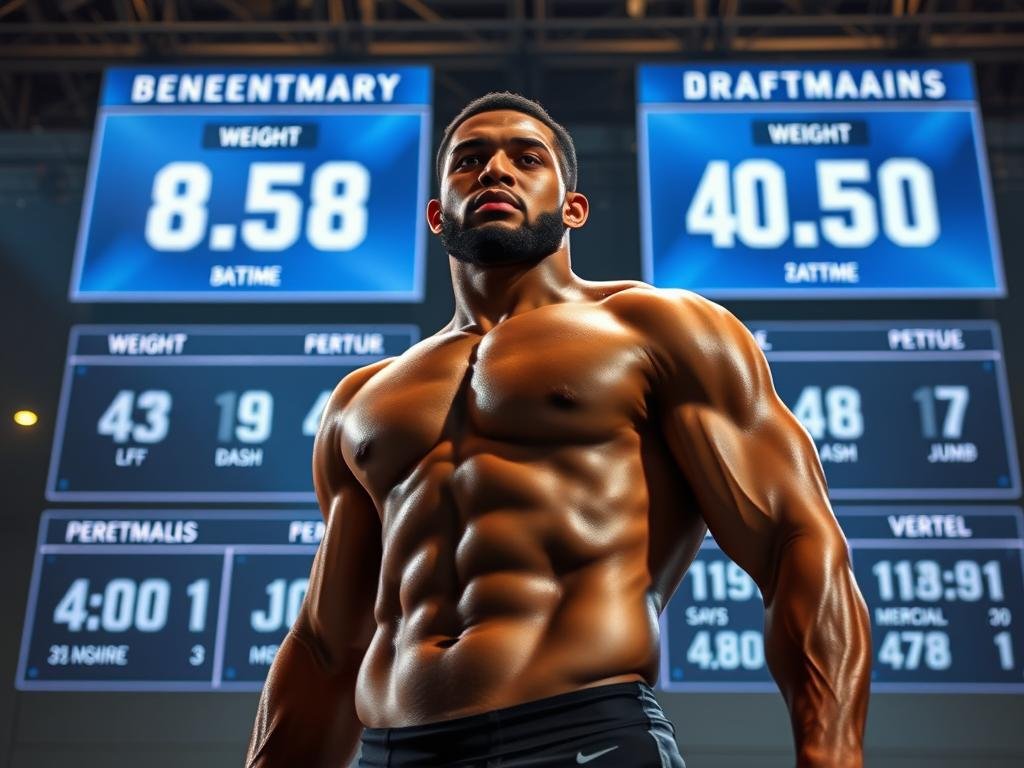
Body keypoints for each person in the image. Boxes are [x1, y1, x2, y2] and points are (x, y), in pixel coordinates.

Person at [245, 92, 871, 768]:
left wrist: (830, 753)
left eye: (526, 158)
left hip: (580, 736)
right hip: (394, 751)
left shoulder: (658, 329)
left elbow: (794, 541)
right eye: (469, 160)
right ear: (436, 215)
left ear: (572, 207)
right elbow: (325, 646)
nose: (495, 170)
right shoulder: (362, 398)